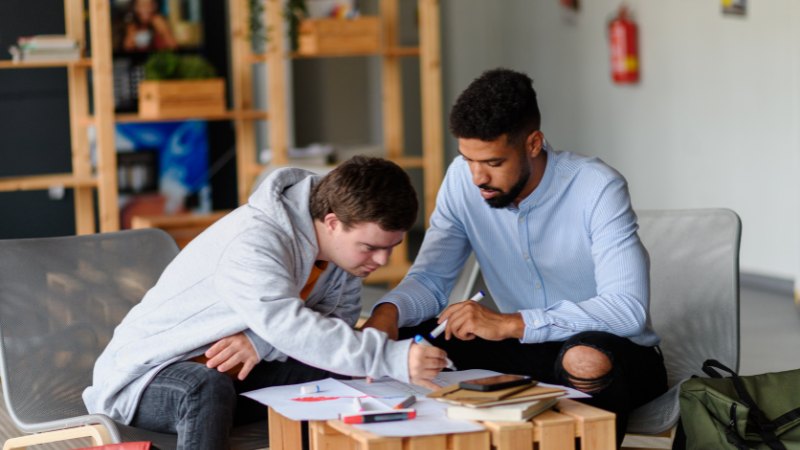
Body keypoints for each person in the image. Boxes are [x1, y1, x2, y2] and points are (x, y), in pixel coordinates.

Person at [364, 68, 668, 445]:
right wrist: (384, 315)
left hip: (611, 351)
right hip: (522, 352)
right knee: (406, 341)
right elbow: (429, 280)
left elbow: (626, 310)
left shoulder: (597, 187)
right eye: (468, 159)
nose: (477, 177)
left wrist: (511, 324)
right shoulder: (462, 180)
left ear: (533, 143)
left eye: (493, 163)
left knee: (584, 359)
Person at [84, 156, 448, 449]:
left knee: (344, 370)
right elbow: (291, 326)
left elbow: (328, 333)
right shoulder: (255, 241)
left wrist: (259, 342)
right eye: (371, 247)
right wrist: (392, 357)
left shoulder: (344, 261)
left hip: (236, 374)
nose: (382, 261)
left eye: (392, 248)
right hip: (150, 378)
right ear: (333, 223)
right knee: (203, 386)